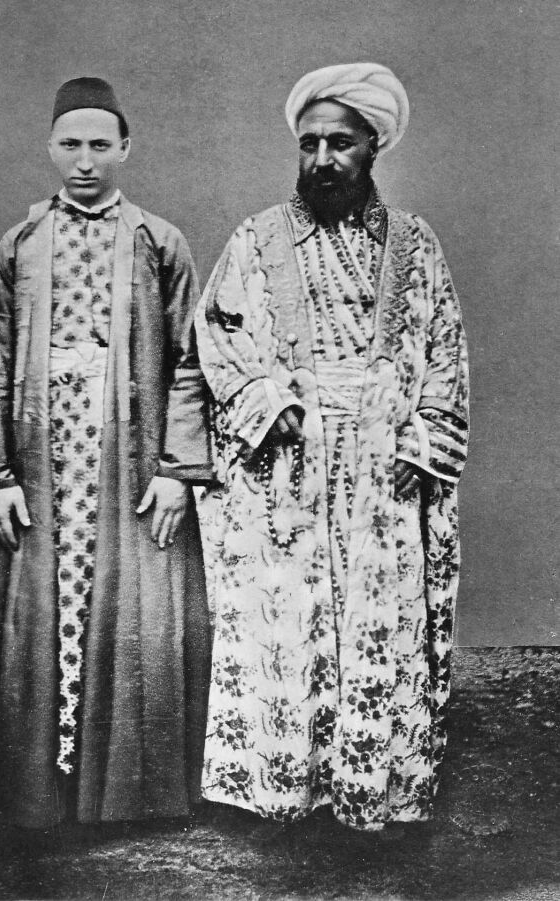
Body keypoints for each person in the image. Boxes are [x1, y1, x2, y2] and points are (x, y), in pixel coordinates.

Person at [195, 63, 469, 831]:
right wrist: (265, 399)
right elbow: (218, 333)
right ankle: (287, 789)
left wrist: (420, 441)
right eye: (309, 143)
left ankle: (370, 785)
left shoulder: (415, 244)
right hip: (290, 467)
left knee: (380, 622)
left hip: (385, 467)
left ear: (373, 146)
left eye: (340, 143)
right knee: (289, 626)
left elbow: (445, 349)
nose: (322, 158)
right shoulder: (256, 239)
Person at [0, 77, 212, 828]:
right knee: (38, 609)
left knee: (140, 610)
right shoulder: (20, 244)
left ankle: (132, 794)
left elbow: (191, 360)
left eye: (100, 145)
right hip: (43, 458)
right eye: (70, 144)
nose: (84, 160)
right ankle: (36, 793)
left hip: (131, 458)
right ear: (50, 147)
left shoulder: (159, 242)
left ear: (125, 149)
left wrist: (177, 469)